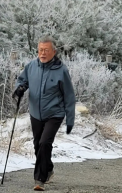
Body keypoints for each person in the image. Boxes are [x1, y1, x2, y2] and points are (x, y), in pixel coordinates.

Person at [12, 35, 76, 191]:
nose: (43, 53)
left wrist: (70, 120)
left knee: (44, 143)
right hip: (35, 113)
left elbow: (69, 96)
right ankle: (48, 168)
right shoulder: (31, 66)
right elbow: (22, 81)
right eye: (40, 50)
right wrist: (19, 89)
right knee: (37, 145)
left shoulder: (61, 70)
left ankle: (39, 180)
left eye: (46, 50)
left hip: (55, 113)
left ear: (53, 52)